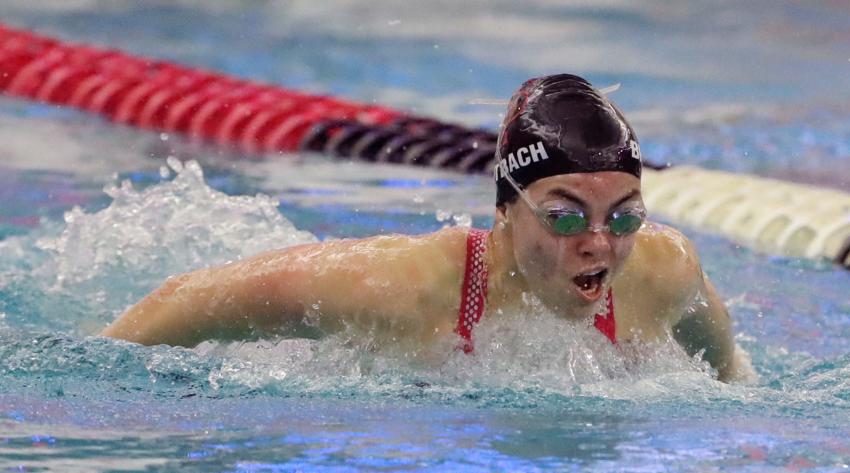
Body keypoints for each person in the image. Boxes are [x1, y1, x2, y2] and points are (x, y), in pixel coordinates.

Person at [103, 73, 752, 382]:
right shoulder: (401, 288)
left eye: (624, 215)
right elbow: (191, 295)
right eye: (564, 214)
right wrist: (96, 366)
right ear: (505, 207)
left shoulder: (663, 270)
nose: (600, 242)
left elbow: (730, 380)